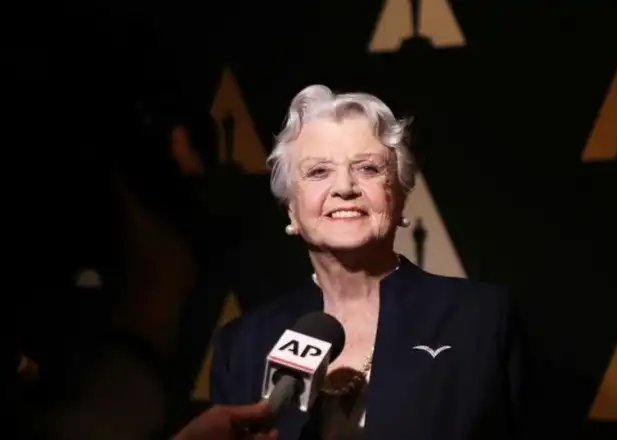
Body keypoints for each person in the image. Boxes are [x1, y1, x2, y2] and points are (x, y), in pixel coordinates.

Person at [211, 85, 528, 439]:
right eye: (319, 172)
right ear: (291, 210)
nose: (345, 187)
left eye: (367, 168)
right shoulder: (242, 346)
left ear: (401, 195)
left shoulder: (481, 320)